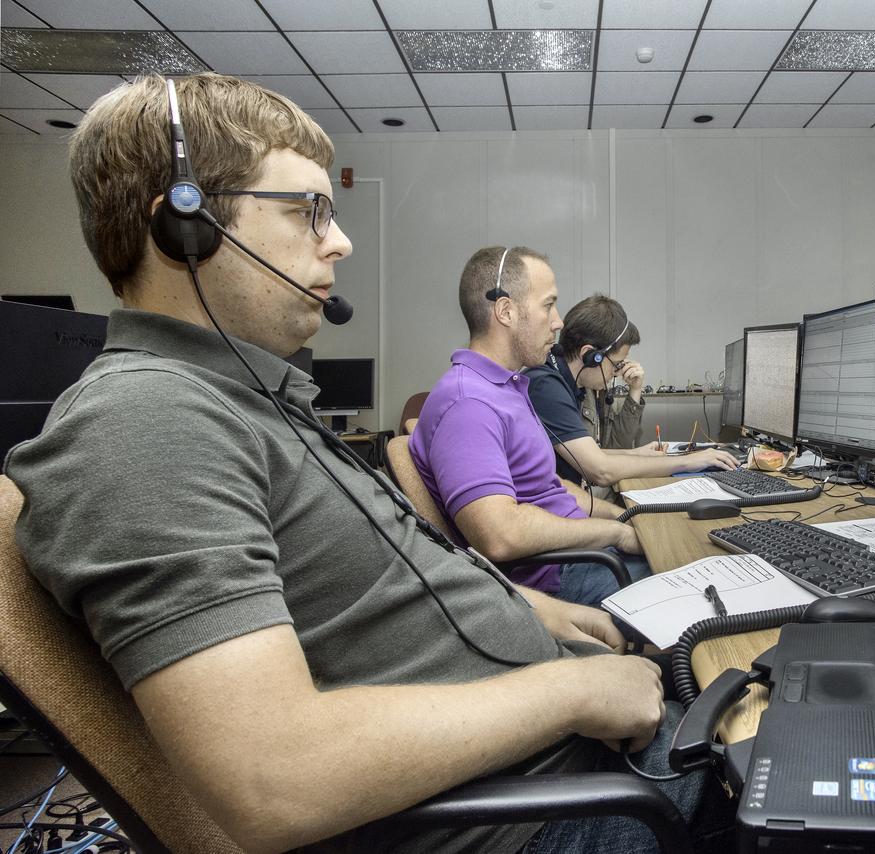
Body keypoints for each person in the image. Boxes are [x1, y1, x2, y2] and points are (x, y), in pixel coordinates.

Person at [4, 74, 727, 853]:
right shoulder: (146, 422)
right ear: (187, 228)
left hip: (546, 750)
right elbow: (274, 776)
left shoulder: (251, 398)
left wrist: (549, 619)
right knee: (817, 750)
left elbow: (406, 581)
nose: (339, 240)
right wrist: (568, 691)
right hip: (538, 813)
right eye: (306, 210)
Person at [410, 248, 652, 608]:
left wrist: (623, 518)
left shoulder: (505, 388)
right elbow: (500, 535)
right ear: (506, 311)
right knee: (706, 585)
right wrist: (615, 532)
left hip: (578, 554)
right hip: (559, 575)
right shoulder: (469, 404)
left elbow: (549, 489)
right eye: (548, 305)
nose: (557, 322)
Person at [526, 294, 739, 487]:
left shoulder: (566, 383)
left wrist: (636, 454)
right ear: (589, 355)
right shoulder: (546, 386)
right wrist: (688, 461)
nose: (617, 373)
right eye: (616, 364)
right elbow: (600, 471)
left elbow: (588, 452)